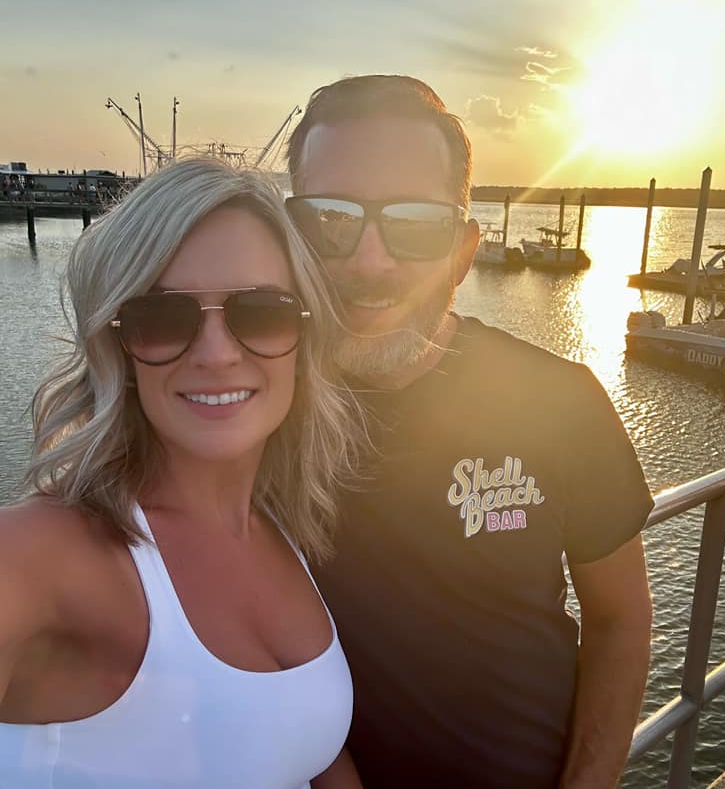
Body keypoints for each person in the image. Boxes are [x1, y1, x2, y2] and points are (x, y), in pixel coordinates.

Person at [285, 75, 655, 789]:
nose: (370, 261)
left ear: (462, 249)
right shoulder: (254, 413)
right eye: (330, 218)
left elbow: (619, 618)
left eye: (415, 223)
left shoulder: (559, 400)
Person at [0, 158, 364, 789]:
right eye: (162, 319)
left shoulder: (282, 528)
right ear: (120, 348)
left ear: (304, 338)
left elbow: (308, 750)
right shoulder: (39, 555)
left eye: (262, 312)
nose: (217, 354)